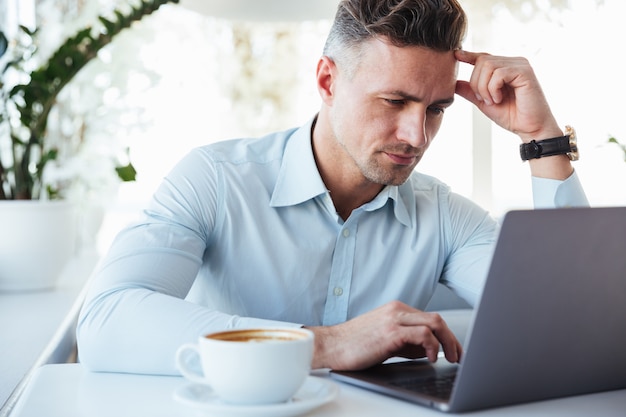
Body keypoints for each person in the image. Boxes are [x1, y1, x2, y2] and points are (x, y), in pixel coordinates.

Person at [77, 0, 588, 374]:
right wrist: (324, 345)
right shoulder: (215, 180)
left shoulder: (446, 216)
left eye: (436, 109)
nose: (417, 136)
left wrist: (541, 139)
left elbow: (569, 324)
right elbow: (105, 321)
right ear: (327, 81)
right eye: (394, 101)